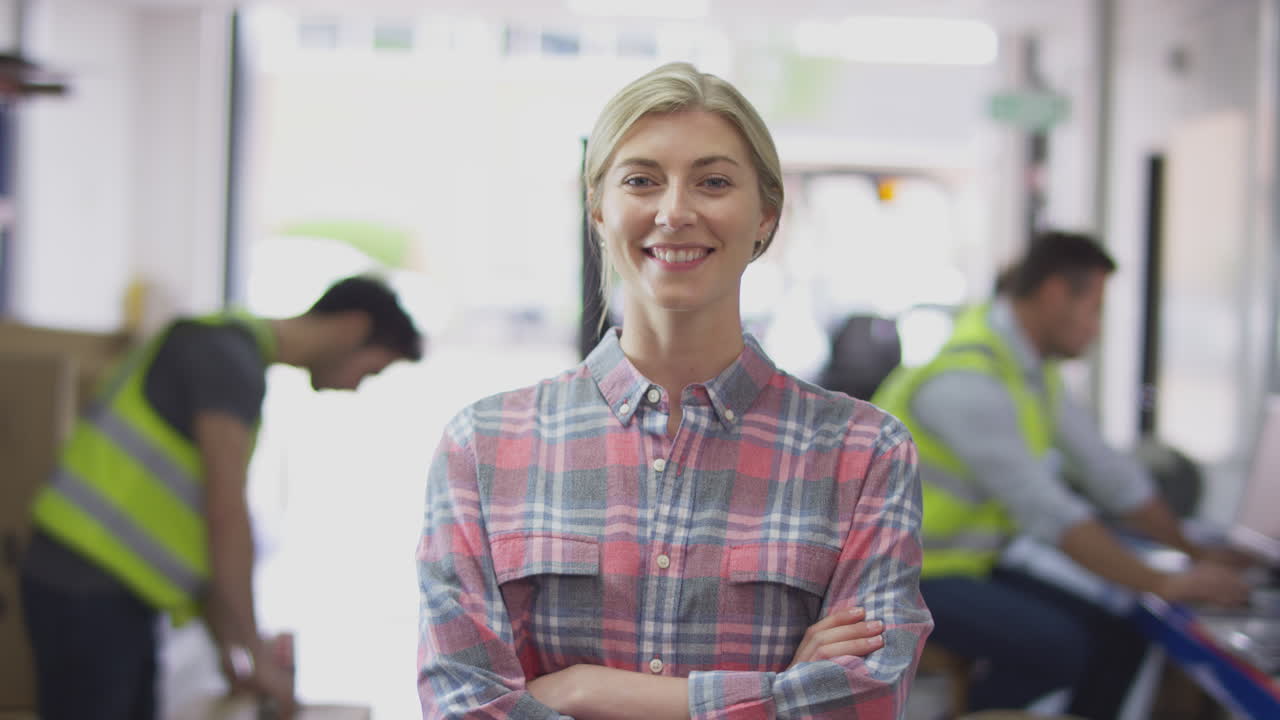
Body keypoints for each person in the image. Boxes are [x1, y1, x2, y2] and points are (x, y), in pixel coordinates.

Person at [416, 62, 933, 720]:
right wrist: (779, 692)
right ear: (599, 209)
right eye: (641, 181)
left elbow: (864, 700)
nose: (675, 211)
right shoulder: (484, 447)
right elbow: (464, 706)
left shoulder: (865, 454)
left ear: (766, 215)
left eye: (713, 182)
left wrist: (585, 689)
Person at [872, 231, 1251, 718]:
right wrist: (1163, 581)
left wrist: (1193, 551)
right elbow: (1047, 510)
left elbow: (1108, 473)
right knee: (1057, 647)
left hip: (959, 566)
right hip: (898, 576)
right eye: (1094, 309)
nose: (1096, 329)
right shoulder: (968, 379)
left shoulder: (1030, 372)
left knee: (1120, 635)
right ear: (1054, 294)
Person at [20, 274, 424, 720]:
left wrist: (232, 654)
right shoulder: (227, 358)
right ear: (352, 328)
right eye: (371, 370)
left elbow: (196, 529)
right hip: (86, 583)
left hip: (108, 589)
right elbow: (226, 515)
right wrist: (256, 653)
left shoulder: (232, 353)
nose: (355, 386)